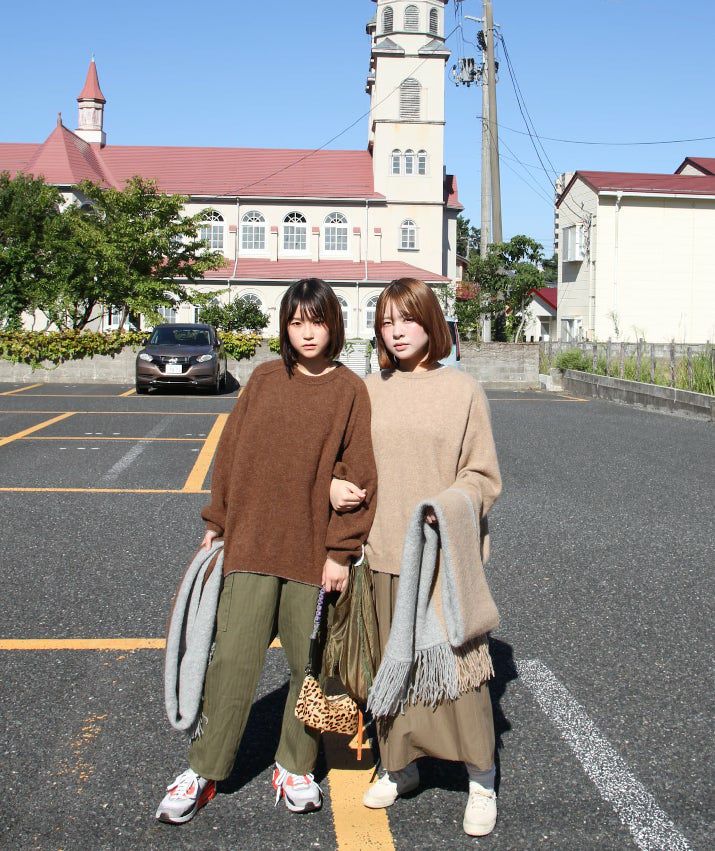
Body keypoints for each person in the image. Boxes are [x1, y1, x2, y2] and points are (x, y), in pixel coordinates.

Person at [156, 278, 377, 824]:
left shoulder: (350, 390)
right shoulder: (263, 379)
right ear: (285, 327)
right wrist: (216, 522)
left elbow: (360, 475)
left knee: (309, 666)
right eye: (297, 322)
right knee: (231, 660)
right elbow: (231, 454)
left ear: (334, 325)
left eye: (317, 321)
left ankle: (294, 765)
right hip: (251, 543)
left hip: (311, 552)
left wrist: (340, 552)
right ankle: (204, 768)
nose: (307, 332)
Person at [331, 277, 502, 837]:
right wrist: (334, 485)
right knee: (393, 668)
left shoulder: (463, 391)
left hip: (442, 555)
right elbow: (344, 462)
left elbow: (482, 475)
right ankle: (400, 766)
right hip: (381, 552)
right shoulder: (368, 389)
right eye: (386, 322)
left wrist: (447, 506)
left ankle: (481, 778)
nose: (396, 331)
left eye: (407, 319)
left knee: (460, 673)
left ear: (430, 322)